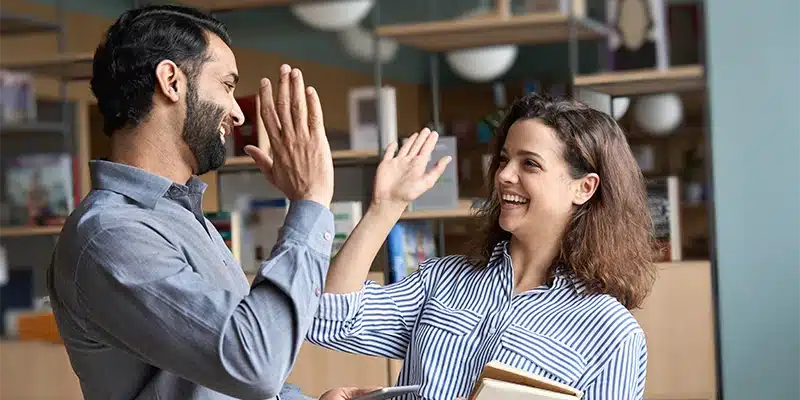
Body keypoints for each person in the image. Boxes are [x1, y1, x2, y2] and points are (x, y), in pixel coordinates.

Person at [45, 4, 449, 400]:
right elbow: (254, 364)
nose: (238, 113)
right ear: (171, 81)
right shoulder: (112, 235)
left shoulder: (180, 217)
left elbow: (222, 381)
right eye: (227, 85)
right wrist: (310, 201)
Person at [306, 93, 660, 400]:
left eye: (530, 164)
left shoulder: (612, 334)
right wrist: (385, 208)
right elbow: (329, 320)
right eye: (504, 159)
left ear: (584, 187)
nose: (504, 175)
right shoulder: (442, 280)